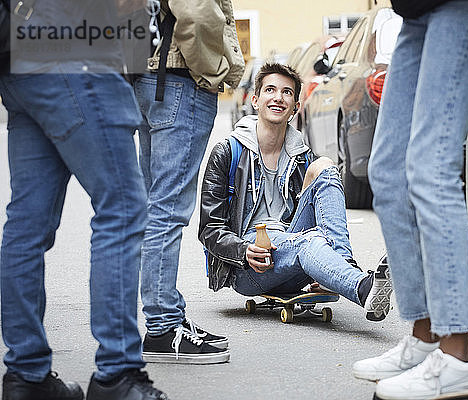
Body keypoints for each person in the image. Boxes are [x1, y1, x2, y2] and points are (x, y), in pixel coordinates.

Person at [0, 1, 168, 399]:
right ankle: (118, 373)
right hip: (78, 49)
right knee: (122, 210)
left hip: (21, 57)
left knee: (27, 224)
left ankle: (27, 376)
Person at [352, 1, 468, 399]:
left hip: (463, 5)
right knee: (387, 173)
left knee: (430, 168)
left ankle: (458, 355)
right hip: (416, 10)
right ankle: (425, 338)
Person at [198, 63, 393, 321]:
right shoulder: (227, 152)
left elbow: (318, 209)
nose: (278, 97)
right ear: (255, 101)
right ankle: (362, 288)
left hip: (294, 244)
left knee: (324, 166)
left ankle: (343, 267)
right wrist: (243, 249)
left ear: (295, 107)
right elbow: (209, 229)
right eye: (270, 90)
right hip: (250, 265)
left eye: (287, 92)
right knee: (309, 241)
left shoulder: (301, 156)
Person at [133, 0, 244, 364]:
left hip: (151, 79)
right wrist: (214, 73)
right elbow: (198, 13)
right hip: (180, 83)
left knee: (156, 206)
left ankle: (167, 316)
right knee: (168, 210)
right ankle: (163, 327)